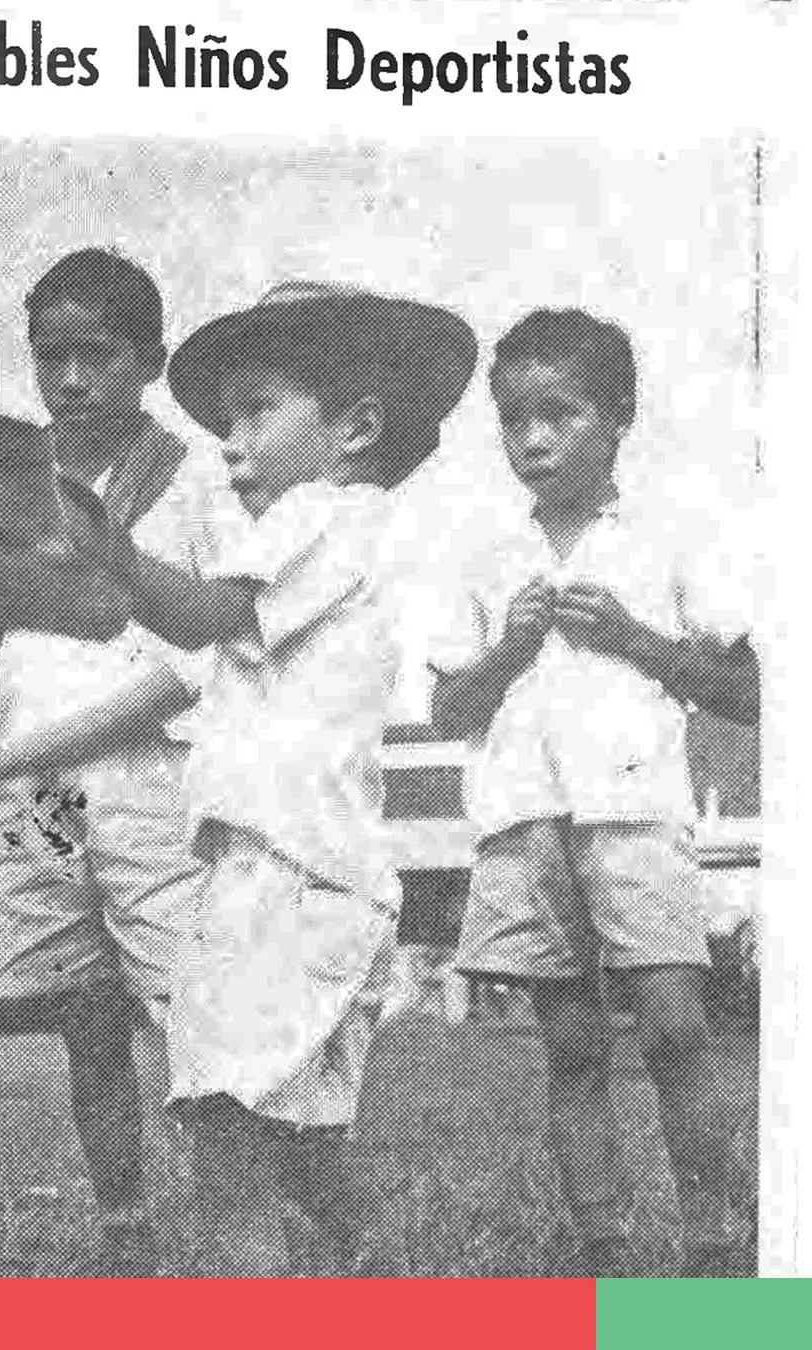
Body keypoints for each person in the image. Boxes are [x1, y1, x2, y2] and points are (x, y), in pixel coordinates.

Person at [0, 280, 478, 1275]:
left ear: (356, 429)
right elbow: (167, 639)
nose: (231, 439)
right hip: (280, 869)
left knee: (222, 1126)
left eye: (257, 412)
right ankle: (377, 1276)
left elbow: (196, 619)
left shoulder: (321, 514)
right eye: (227, 417)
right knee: (279, 1133)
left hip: (289, 874)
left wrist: (104, 548)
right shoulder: (318, 528)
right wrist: (32, 582)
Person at [0, 247, 243, 1275]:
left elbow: (195, 659)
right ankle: (125, 1233)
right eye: (52, 358)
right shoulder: (16, 482)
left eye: (99, 355)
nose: (72, 379)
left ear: (150, 360)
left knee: (186, 1008)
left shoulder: (192, 481)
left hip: (145, 777)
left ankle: (235, 1230)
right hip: (41, 789)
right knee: (83, 1016)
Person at [428, 307, 759, 1277]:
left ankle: (715, 1243)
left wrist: (632, 638)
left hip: (635, 816)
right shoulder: (486, 552)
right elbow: (449, 710)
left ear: (618, 418)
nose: (533, 439)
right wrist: (510, 647)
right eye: (514, 419)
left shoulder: (665, 537)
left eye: (560, 414)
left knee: (675, 1029)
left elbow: (746, 690)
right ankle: (600, 1251)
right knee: (571, 1048)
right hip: (525, 821)